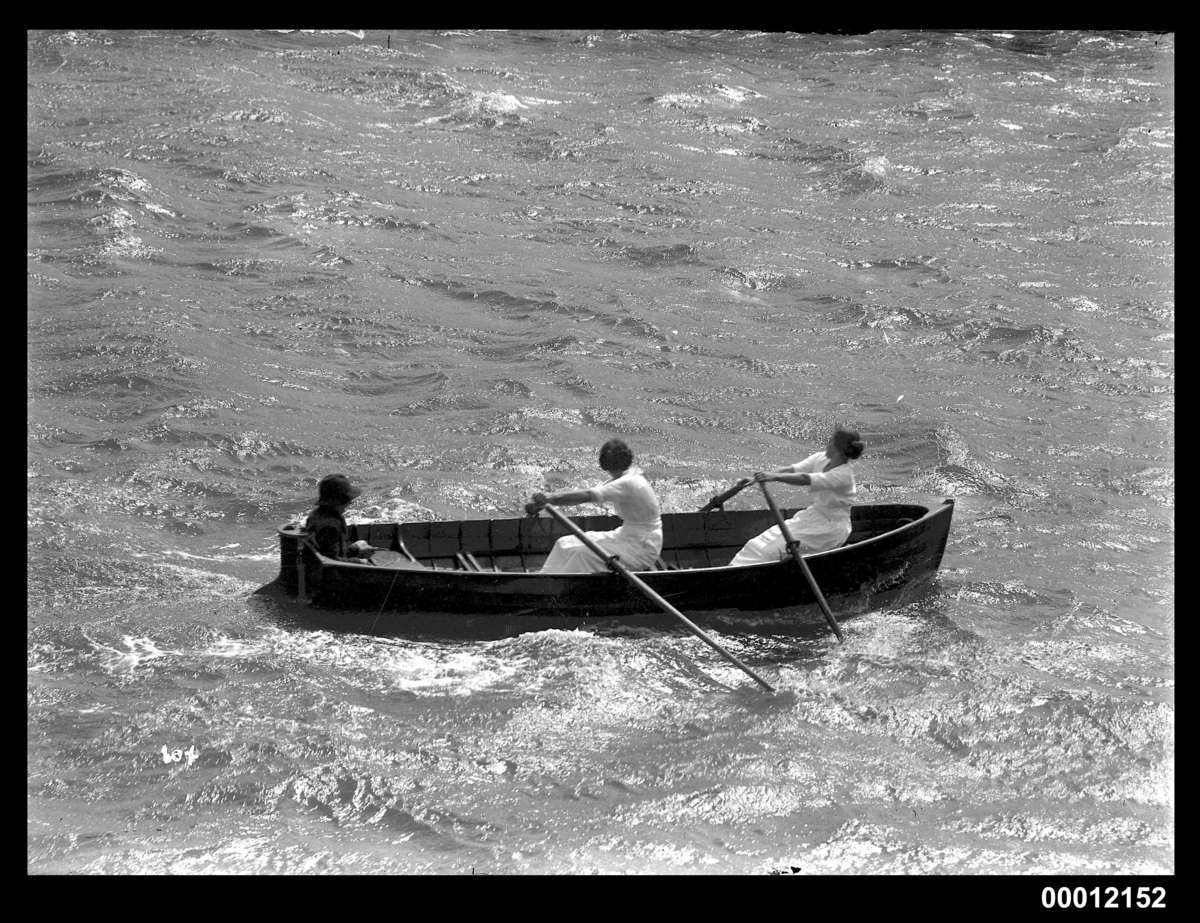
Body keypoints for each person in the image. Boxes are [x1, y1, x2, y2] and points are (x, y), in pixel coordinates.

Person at [728, 426, 864, 566]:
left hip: (830, 529)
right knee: (758, 544)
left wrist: (774, 476)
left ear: (838, 447)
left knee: (771, 551)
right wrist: (758, 478)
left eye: (830, 441)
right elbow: (792, 470)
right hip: (811, 517)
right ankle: (734, 568)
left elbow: (805, 478)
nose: (827, 444)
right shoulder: (820, 458)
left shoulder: (844, 475)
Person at [525, 439, 663, 573]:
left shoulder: (629, 482)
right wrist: (546, 501)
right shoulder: (628, 474)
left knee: (582, 555)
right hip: (626, 535)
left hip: (643, 547)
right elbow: (589, 492)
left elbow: (587, 496)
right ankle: (543, 579)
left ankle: (557, 590)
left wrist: (550, 499)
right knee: (564, 544)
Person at [304, 474, 376, 561]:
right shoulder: (330, 527)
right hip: (333, 572)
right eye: (348, 500)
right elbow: (331, 561)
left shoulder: (316, 515)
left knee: (361, 544)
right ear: (339, 501)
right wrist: (360, 561)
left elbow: (327, 551)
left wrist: (355, 548)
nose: (350, 503)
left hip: (319, 565)